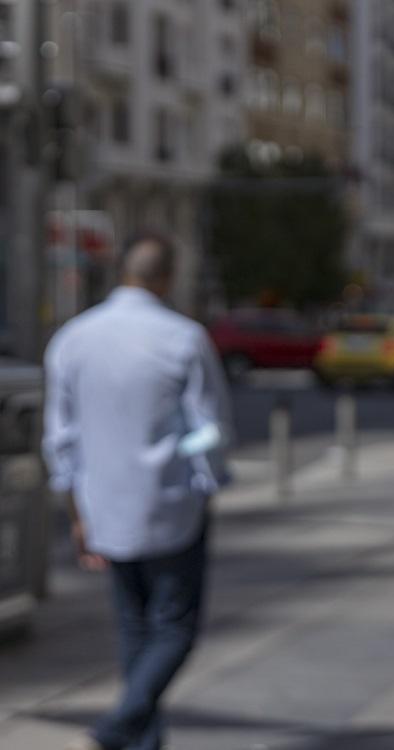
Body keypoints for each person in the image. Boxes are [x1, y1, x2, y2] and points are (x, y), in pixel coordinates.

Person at [43, 233, 232, 750]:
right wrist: (209, 478)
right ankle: (118, 727)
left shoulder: (72, 338)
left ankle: (141, 740)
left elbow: (61, 440)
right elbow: (210, 429)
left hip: (103, 504)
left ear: (123, 272)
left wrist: (77, 513)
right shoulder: (184, 337)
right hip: (172, 504)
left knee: (134, 628)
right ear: (166, 277)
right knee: (174, 629)